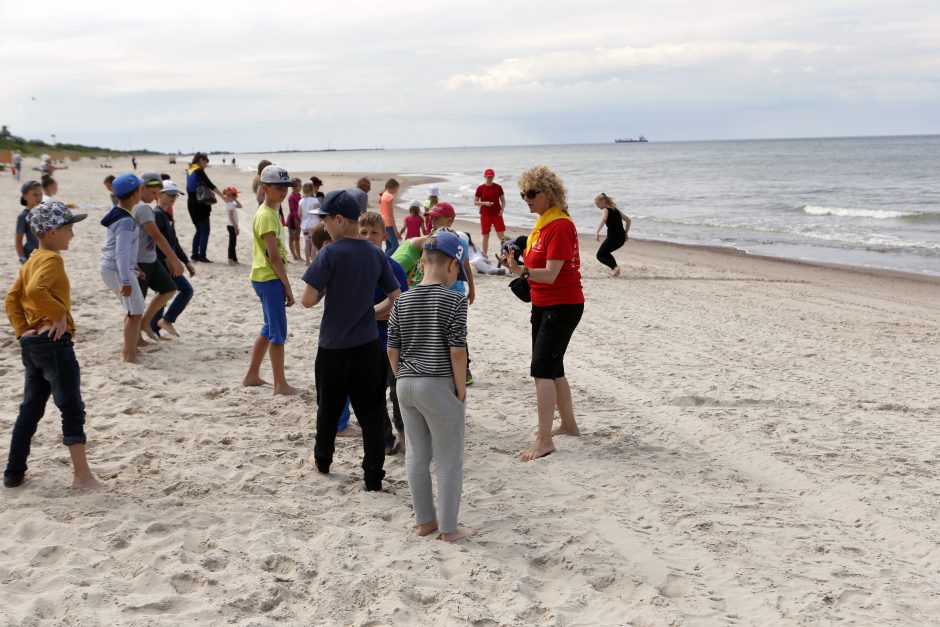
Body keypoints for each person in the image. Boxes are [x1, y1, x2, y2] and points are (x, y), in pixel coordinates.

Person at [300, 190, 402, 492]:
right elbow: (396, 299)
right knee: (370, 412)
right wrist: (371, 312)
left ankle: (323, 461)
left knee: (328, 410)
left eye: (326, 220)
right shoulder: (375, 253)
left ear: (339, 219)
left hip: (332, 348)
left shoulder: (328, 253)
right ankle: (373, 477)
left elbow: (307, 301)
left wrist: (327, 287)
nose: (325, 226)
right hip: (368, 347)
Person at [4, 200, 101, 490]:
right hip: (54, 344)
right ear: (52, 232)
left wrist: (23, 332)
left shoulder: (31, 259)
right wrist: (58, 314)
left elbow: (12, 298)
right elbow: (36, 290)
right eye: (69, 229)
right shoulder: (51, 259)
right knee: (71, 408)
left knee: (30, 409)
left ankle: (13, 473)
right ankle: (82, 476)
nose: (72, 235)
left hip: (33, 344)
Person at [387, 230, 475, 541]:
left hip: (405, 385)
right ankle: (449, 529)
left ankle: (425, 521)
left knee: (417, 454)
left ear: (422, 262)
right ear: (453, 265)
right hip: (436, 383)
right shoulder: (454, 299)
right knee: (449, 456)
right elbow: (457, 350)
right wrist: (460, 389)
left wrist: (400, 377)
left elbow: (392, 347)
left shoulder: (403, 298)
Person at [501, 165, 584, 462]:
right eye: (523, 193)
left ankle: (544, 439)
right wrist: (517, 261)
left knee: (541, 370)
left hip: (562, 305)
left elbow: (549, 274)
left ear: (549, 193)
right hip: (544, 303)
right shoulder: (543, 225)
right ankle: (570, 425)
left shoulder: (560, 225)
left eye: (532, 193)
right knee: (553, 366)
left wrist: (520, 270)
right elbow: (539, 267)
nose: (526, 198)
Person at [357, 211, 409, 453]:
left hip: (393, 343)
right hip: (365, 344)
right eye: (363, 233)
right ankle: (385, 439)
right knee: (372, 395)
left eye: (374, 233)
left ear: (384, 236)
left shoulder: (393, 268)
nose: (368, 238)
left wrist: (363, 313)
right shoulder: (354, 268)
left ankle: (403, 434)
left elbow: (398, 308)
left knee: (397, 393)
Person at [243, 165, 298, 396]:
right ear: (265, 188)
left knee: (268, 328)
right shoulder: (266, 215)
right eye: (278, 187)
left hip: (265, 276)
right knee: (278, 333)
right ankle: (280, 384)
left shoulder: (272, 212)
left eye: (285, 187)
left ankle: (252, 375)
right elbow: (273, 257)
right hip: (269, 278)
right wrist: (287, 286)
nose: (283, 191)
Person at [133, 172, 185, 341]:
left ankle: (148, 324)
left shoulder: (156, 211)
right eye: (154, 193)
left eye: (158, 193)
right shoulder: (145, 208)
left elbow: (172, 240)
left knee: (168, 289)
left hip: (150, 259)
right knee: (136, 305)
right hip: (142, 260)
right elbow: (157, 237)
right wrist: (172, 260)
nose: (155, 197)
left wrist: (182, 260)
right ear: (142, 188)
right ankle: (137, 339)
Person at [99, 173, 145, 363]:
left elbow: (125, 253)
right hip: (117, 269)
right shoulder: (126, 220)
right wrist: (126, 279)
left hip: (115, 268)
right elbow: (121, 253)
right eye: (140, 189)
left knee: (132, 310)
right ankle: (129, 354)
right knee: (135, 312)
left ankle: (130, 348)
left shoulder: (120, 213)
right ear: (135, 194)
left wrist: (134, 269)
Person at [150, 181, 196, 337]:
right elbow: (155, 242)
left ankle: (154, 329)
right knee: (186, 290)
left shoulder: (166, 215)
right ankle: (167, 320)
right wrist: (167, 260)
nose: (173, 198)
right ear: (160, 194)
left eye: (175, 195)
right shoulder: (157, 214)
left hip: (167, 261)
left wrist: (186, 261)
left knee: (164, 293)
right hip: (161, 263)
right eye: (170, 195)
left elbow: (174, 242)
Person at [186, 152, 223, 262]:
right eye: (206, 162)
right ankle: (202, 256)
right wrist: (223, 196)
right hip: (200, 205)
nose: (206, 165)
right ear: (201, 160)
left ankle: (194, 254)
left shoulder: (190, 169)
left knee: (198, 230)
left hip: (191, 203)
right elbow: (210, 184)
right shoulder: (198, 170)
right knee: (205, 231)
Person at [594, 193, 632, 277]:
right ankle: (615, 269)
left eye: (597, 204)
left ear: (603, 201)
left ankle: (615, 268)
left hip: (613, 238)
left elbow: (604, 219)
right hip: (621, 239)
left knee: (600, 255)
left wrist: (597, 232)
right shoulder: (616, 209)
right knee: (606, 252)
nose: (597, 206)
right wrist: (625, 232)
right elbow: (628, 220)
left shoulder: (605, 210)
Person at [474, 168, 506, 258]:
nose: (490, 178)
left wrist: (502, 209)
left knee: (501, 237)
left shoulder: (498, 187)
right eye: (488, 176)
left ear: (493, 176)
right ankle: (484, 256)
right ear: (485, 176)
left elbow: (503, 201)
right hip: (485, 215)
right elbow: (475, 202)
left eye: (491, 176)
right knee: (486, 236)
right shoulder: (480, 188)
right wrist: (485, 203)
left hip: (497, 215)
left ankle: (504, 254)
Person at [16, 181, 42, 264]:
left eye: (40, 194)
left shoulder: (43, 213)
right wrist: (22, 259)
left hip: (44, 254)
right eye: (35, 194)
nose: (38, 197)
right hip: (30, 256)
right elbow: (18, 241)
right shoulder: (23, 216)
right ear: (25, 196)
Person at [299, 180, 322, 263]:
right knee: (314, 243)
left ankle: (307, 261)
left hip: (304, 224)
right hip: (314, 224)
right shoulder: (315, 200)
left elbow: (299, 214)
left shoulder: (301, 201)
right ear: (312, 190)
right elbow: (319, 212)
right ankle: (313, 260)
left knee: (307, 243)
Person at [379, 178, 401, 254]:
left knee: (389, 245)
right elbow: (391, 215)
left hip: (383, 222)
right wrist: (396, 231)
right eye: (397, 189)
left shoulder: (384, 194)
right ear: (394, 187)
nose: (397, 191)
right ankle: (383, 259)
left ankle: (385, 263)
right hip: (388, 224)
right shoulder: (390, 196)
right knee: (395, 246)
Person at [223, 186, 242, 264]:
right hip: (231, 225)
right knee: (232, 243)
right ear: (232, 196)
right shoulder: (230, 205)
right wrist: (235, 227)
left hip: (231, 225)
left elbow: (240, 206)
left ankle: (234, 259)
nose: (236, 196)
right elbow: (231, 218)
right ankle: (230, 259)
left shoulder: (230, 204)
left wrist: (235, 199)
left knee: (233, 243)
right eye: (235, 195)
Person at [286, 178, 303, 261]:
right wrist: (296, 222)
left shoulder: (299, 196)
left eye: (301, 185)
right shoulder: (291, 197)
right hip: (292, 221)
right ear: (293, 187)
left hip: (299, 220)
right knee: (291, 238)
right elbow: (292, 211)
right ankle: (294, 255)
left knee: (297, 238)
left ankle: (299, 255)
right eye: (299, 185)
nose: (301, 187)